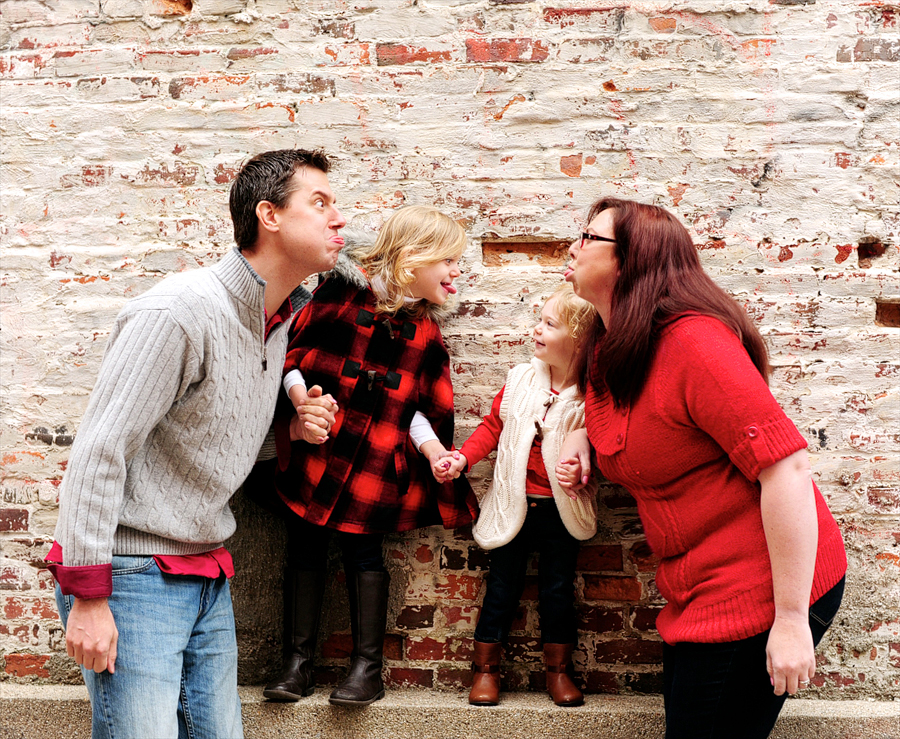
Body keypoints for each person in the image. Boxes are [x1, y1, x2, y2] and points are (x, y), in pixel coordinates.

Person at [46, 149, 345, 739]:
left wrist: (289, 429)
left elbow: (214, 439)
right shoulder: (179, 311)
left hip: (206, 576)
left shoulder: (278, 321)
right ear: (270, 215)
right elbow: (100, 449)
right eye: (321, 202)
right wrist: (86, 594)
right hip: (131, 577)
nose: (340, 219)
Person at [556, 197, 848, 739]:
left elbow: (787, 470)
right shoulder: (609, 346)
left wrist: (789, 622)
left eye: (589, 237)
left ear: (631, 260)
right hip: (696, 592)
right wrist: (581, 437)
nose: (572, 246)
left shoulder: (695, 344)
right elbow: (617, 412)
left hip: (761, 589)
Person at [262, 204, 478, 707]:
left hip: (377, 463)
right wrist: (301, 402)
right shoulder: (338, 294)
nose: (456, 272)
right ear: (412, 259)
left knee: (363, 552)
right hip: (320, 447)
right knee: (306, 545)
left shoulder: (423, 331)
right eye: (447, 260)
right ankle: (296, 663)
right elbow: (291, 358)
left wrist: (434, 452)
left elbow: (418, 410)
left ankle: (366, 668)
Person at [433, 283, 599, 707]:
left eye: (549, 324)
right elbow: (493, 426)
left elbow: (604, 443)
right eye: (538, 321)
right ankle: (486, 671)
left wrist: (583, 467)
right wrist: (463, 460)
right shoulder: (521, 379)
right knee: (501, 589)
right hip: (513, 504)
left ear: (579, 338)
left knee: (557, 591)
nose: (537, 330)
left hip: (560, 511)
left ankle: (559, 672)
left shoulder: (592, 394)